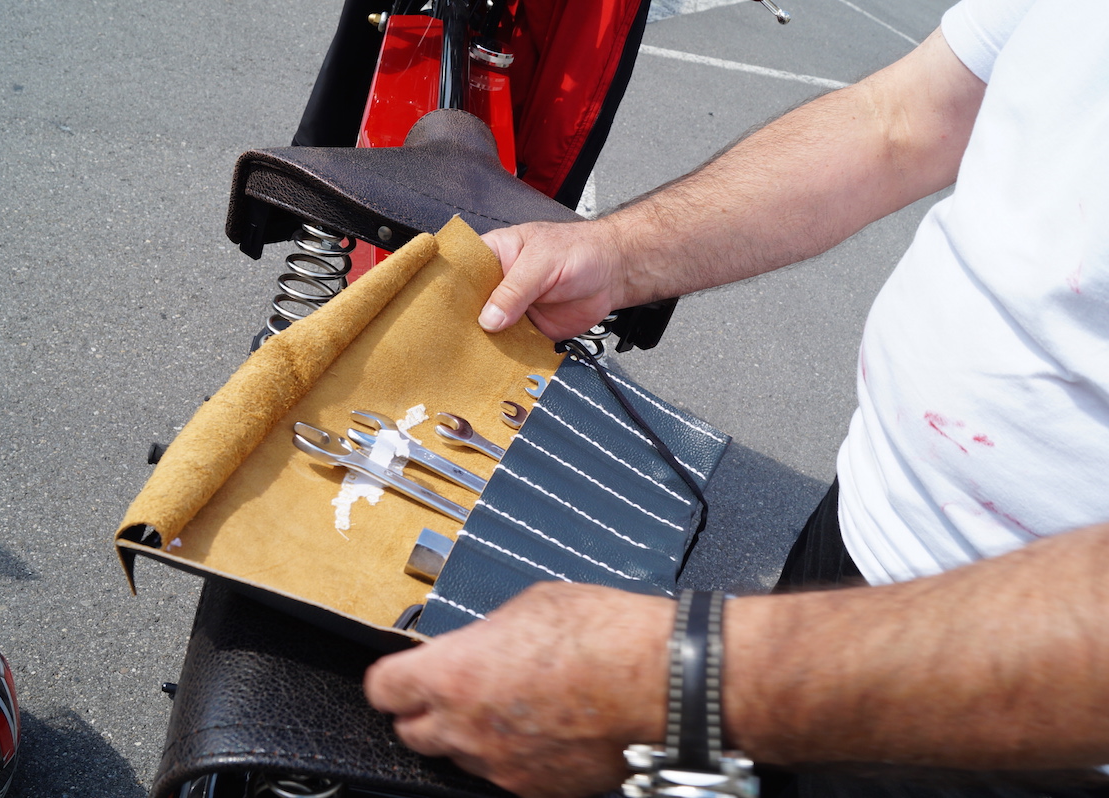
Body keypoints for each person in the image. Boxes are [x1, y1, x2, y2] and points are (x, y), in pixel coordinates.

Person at [365, 0, 1109, 796]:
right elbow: (898, 120)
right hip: (857, 542)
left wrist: (694, 681)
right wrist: (614, 254)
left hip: (1046, 722)